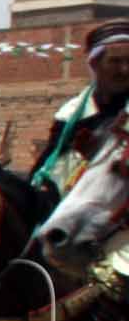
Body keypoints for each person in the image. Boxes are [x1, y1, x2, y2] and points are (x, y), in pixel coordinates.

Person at [31, 20, 129, 197]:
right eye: (115, 61)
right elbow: (46, 168)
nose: (124, 69)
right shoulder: (71, 116)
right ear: (95, 64)